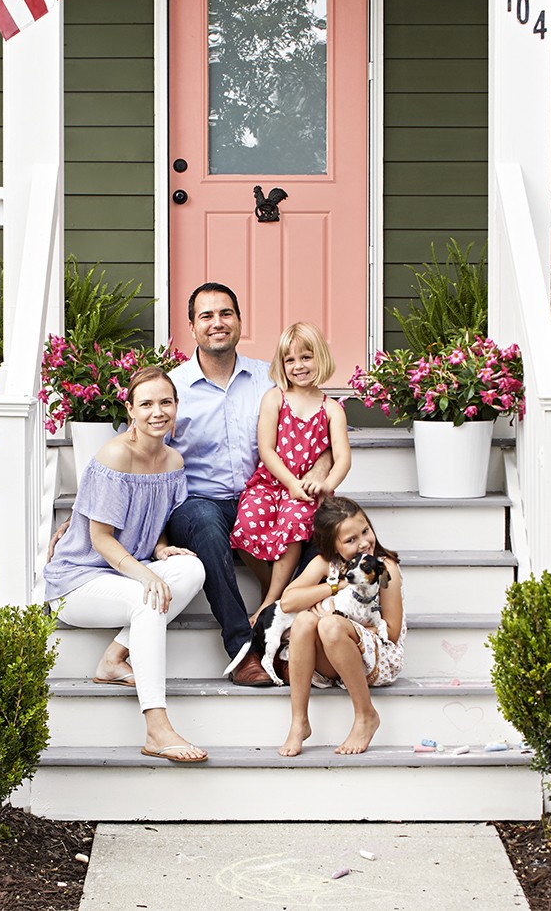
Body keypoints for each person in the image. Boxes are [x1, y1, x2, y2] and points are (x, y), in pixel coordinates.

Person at [167, 282, 331, 688]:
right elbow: (139, 452)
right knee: (206, 524)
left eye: (226, 314)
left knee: (324, 527)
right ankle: (246, 651)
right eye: (206, 316)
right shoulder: (174, 388)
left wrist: (321, 470)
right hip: (201, 501)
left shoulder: (269, 378)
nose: (217, 323)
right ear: (191, 327)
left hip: (266, 494)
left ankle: (296, 641)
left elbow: (318, 427)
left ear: (239, 321)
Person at [44, 364, 208, 764]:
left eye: (165, 402)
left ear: (176, 406)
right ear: (130, 409)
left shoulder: (172, 462)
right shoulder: (116, 454)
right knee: (147, 599)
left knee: (192, 569)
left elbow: (156, 521)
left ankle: (114, 657)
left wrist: (164, 548)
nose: (157, 412)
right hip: (79, 580)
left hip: (127, 570)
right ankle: (156, 726)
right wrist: (147, 572)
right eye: (146, 403)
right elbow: (100, 539)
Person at [230, 321, 351, 621]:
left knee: (295, 521)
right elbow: (267, 450)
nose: (298, 366)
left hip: (307, 492)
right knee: (246, 524)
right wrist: (289, 482)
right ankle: (268, 583)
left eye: (306, 357)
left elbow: (343, 457)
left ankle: (271, 602)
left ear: (320, 357)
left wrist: (326, 485)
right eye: (290, 359)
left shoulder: (332, 408)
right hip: (270, 483)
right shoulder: (275, 398)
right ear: (282, 364)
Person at [277, 495, 406, 759]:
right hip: (331, 661)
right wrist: (337, 585)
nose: (363, 543)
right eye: (350, 540)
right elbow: (288, 601)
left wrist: (339, 625)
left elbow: (390, 631)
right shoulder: (327, 565)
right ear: (333, 546)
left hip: (376, 658)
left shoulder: (382, 567)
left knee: (330, 626)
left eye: (365, 531)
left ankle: (365, 714)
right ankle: (299, 721)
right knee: (304, 621)